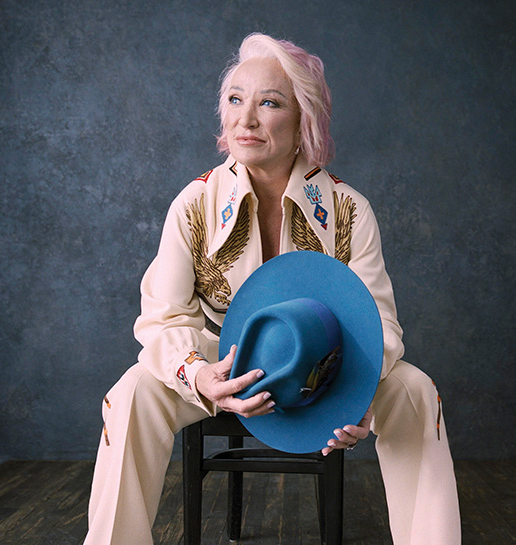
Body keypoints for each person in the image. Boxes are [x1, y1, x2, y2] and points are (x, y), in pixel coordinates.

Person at [84, 33, 461, 545]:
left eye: (270, 103)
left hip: (328, 366)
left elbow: (381, 323)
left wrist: (357, 395)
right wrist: (200, 377)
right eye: (236, 100)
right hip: (223, 360)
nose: (247, 118)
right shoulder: (193, 205)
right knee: (130, 393)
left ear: (305, 118)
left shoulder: (349, 210)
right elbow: (161, 320)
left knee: (416, 391)